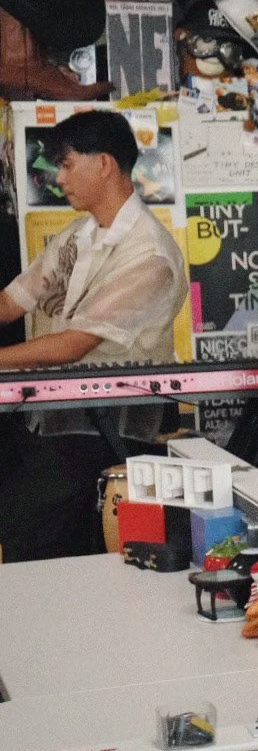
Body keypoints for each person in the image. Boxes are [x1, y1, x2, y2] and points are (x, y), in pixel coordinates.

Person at [0, 110, 186, 561]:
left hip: (107, 438)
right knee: (26, 546)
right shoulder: (78, 235)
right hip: (49, 426)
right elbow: (11, 302)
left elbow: (73, 344)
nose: (58, 177)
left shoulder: (150, 253)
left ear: (103, 164)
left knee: (45, 559)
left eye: (66, 164)